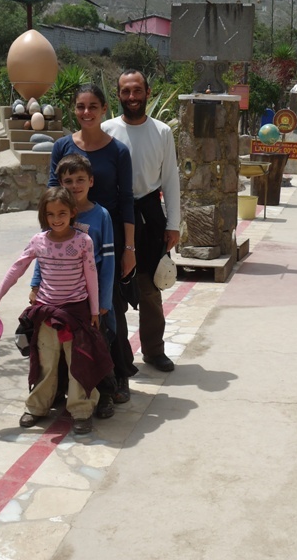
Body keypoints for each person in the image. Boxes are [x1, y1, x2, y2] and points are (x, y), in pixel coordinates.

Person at [0, 187, 113, 435]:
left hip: (77, 314)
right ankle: (36, 407)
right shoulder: (38, 241)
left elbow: (91, 277)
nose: (57, 219)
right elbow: (17, 268)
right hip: (46, 314)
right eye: (51, 214)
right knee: (45, 363)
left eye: (62, 213)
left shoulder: (83, 241)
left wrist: (95, 311)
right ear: (44, 215)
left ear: (73, 213)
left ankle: (82, 410)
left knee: (80, 364)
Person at [48, 83, 138, 409]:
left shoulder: (118, 152)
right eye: (80, 106)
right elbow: (51, 197)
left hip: (107, 242)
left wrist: (129, 249)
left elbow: (127, 200)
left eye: (93, 106)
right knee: (67, 314)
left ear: (103, 109)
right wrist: (51, 244)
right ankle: (65, 384)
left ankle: (118, 377)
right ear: (74, 109)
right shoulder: (60, 146)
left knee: (109, 310)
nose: (86, 112)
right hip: (67, 246)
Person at [101, 69, 180, 373]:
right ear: (117, 95)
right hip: (114, 215)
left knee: (150, 287)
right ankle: (119, 355)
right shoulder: (106, 129)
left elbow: (171, 178)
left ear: (148, 92)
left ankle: (154, 350)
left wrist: (173, 224)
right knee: (114, 288)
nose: (131, 97)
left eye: (137, 91)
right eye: (125, 91)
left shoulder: (162, 131)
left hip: (150, 215)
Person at [30, 154, 117, 419]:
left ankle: (103, 395)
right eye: (68, 181)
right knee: (57, 350)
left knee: (97, 346)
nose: (75, 186)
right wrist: (35, 284)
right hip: (58, 300)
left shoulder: (101, 215)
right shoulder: (55, 214)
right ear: (60, 183)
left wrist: (102, 302)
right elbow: (44, 253)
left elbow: (108, 263)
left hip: (91, 298)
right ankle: (55, 395)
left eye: (80, 180)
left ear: (90, 181)